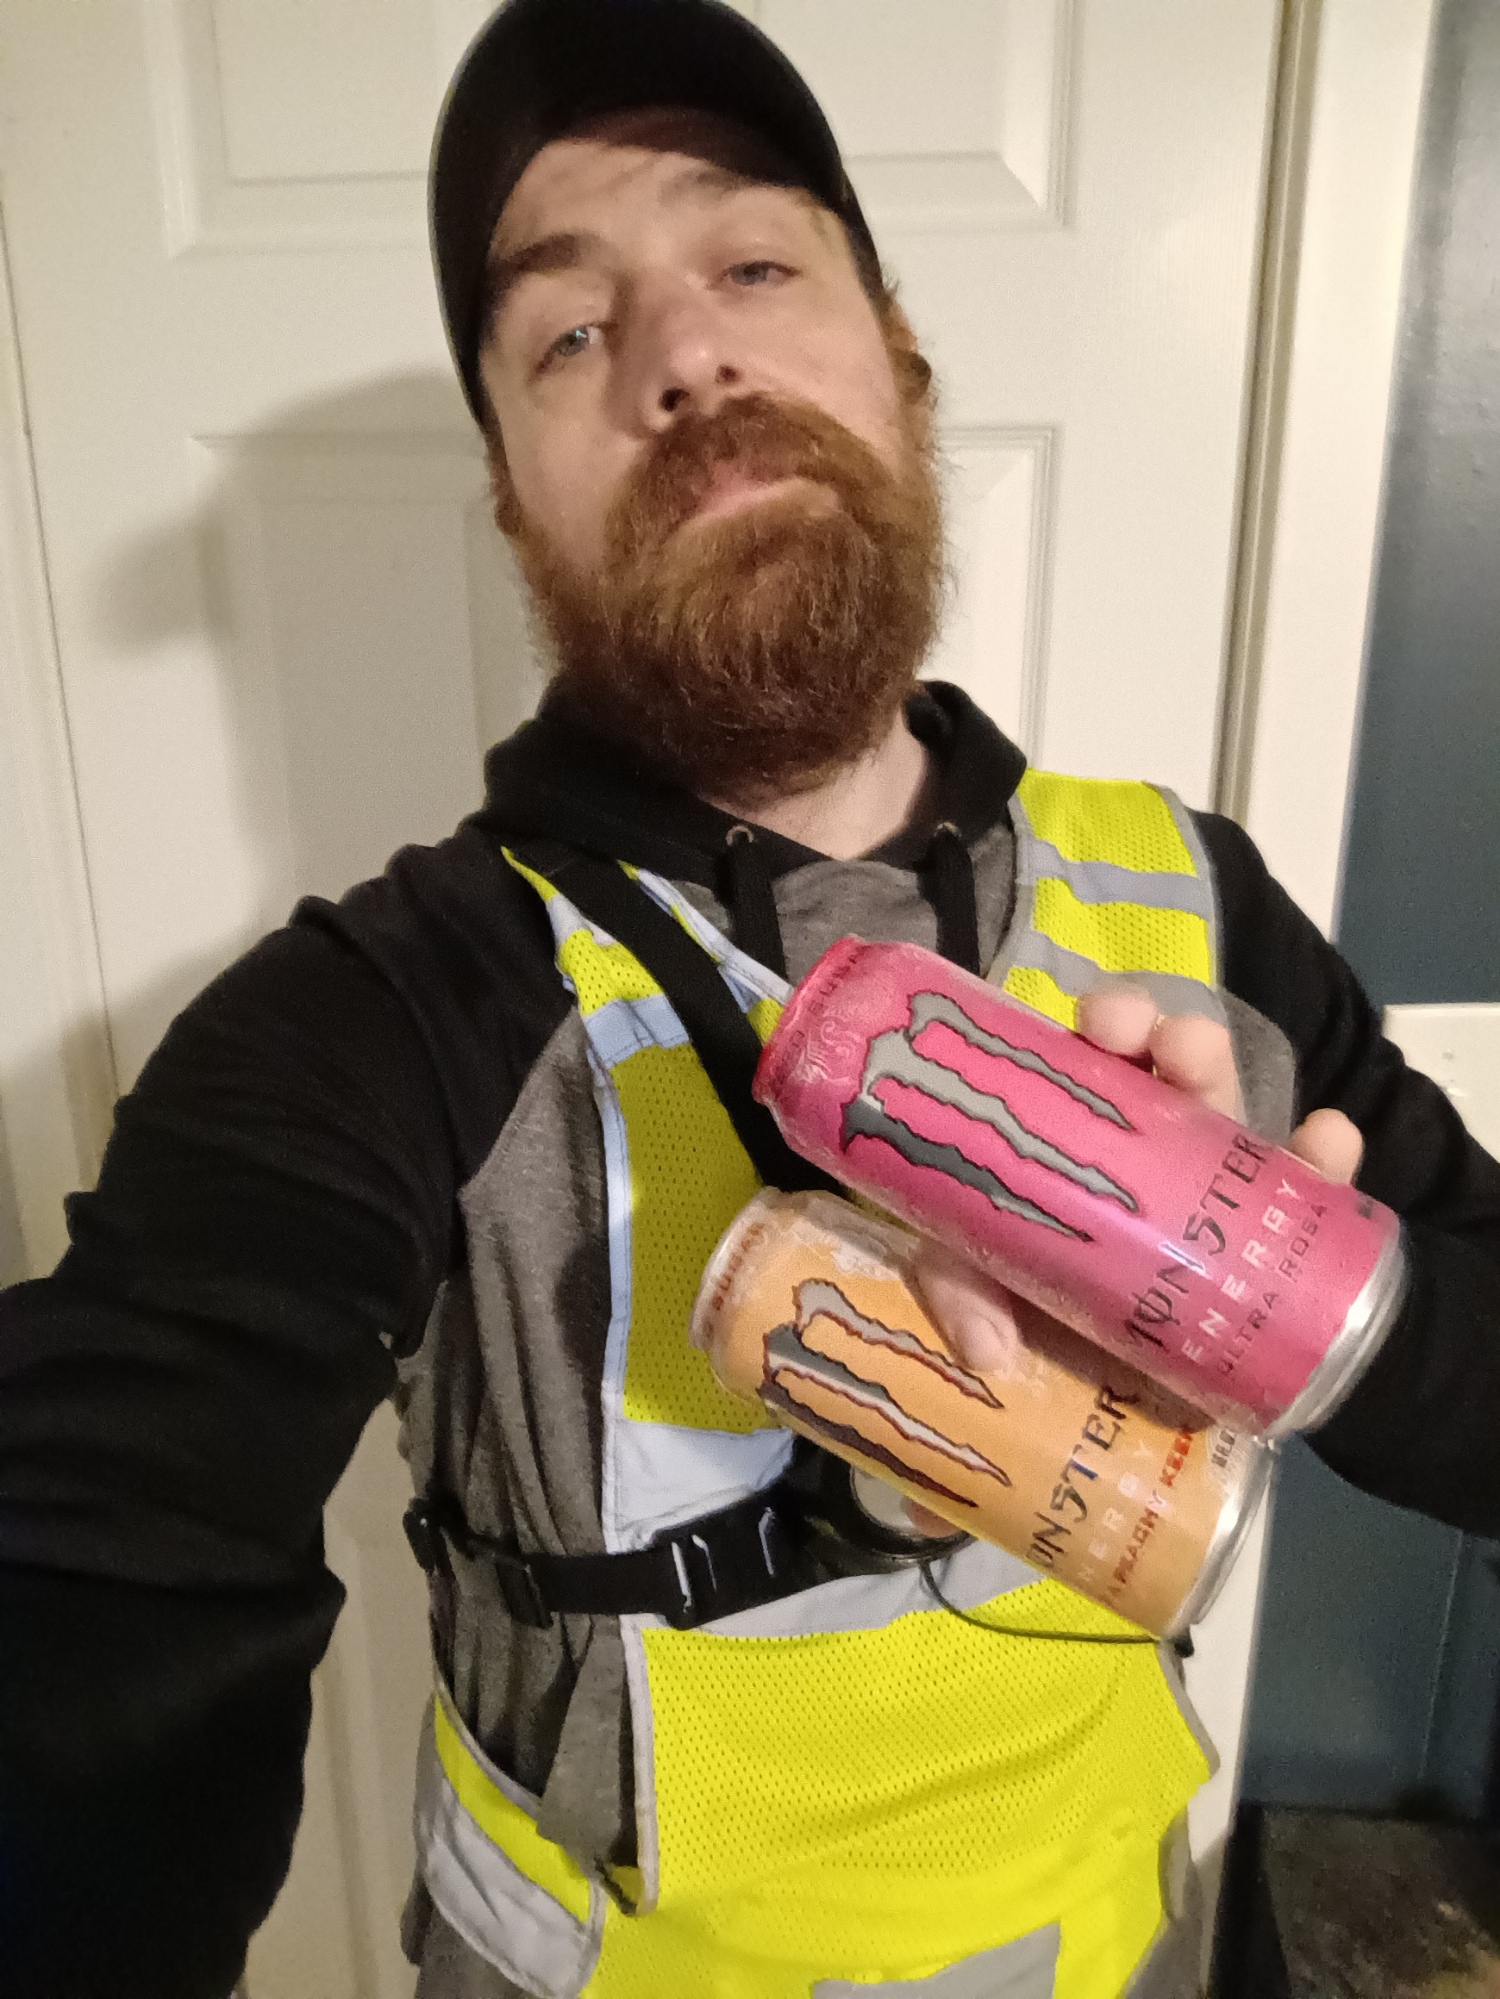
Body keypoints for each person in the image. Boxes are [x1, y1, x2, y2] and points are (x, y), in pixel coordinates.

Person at [2, 2, 1498, 1995]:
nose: (684, 354)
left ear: (901, 355)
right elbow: (100, 1596)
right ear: (512, 496)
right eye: (568, 331)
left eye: (758, 265)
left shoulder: (1193, 895)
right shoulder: (389, 1013)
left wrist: (1276, 1302)